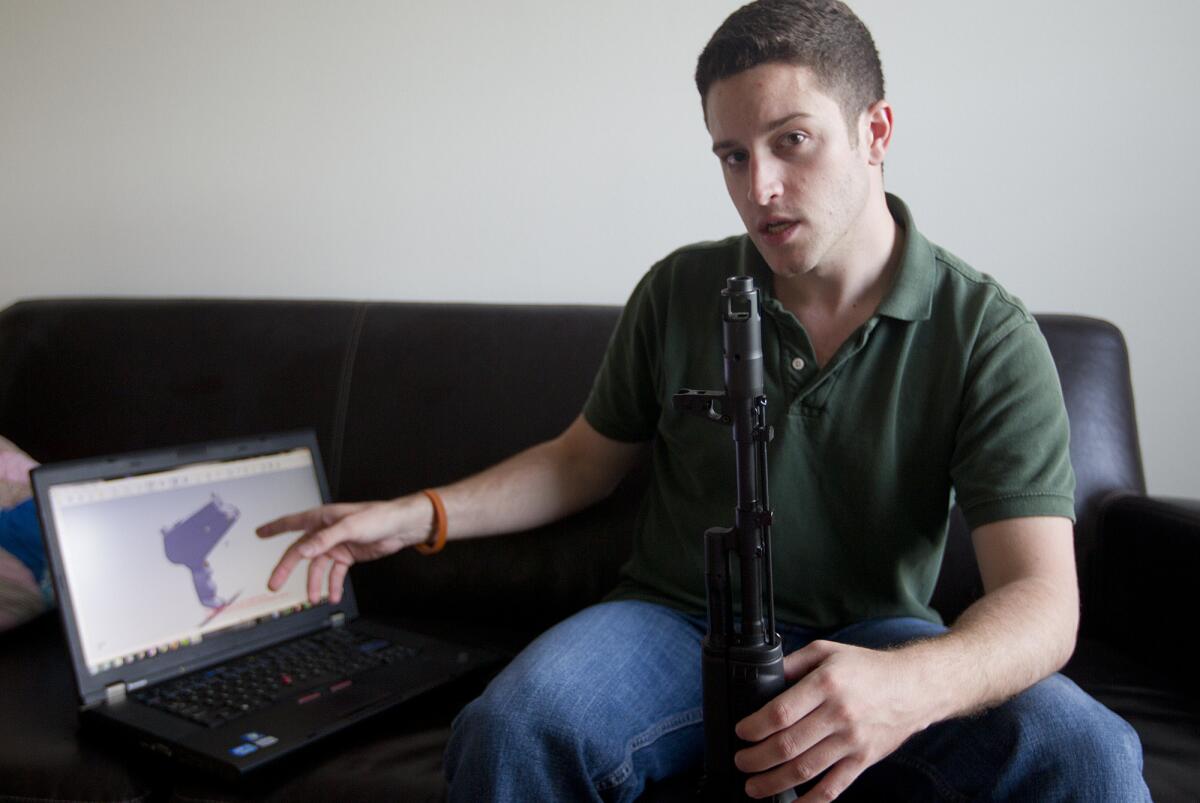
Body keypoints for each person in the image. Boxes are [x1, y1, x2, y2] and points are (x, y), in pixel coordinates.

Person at [257, 1, 1150, 800]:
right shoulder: (680, 288)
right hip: (673, 622)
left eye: (791, 140)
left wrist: (910, 685)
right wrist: (417, 515)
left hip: (873, 636)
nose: (757, 189)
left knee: (1090, 753)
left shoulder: (986, 331)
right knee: (511, 728)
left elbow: (1041, 600)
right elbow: (580, 461)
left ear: (875, 130)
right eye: (732, 154)